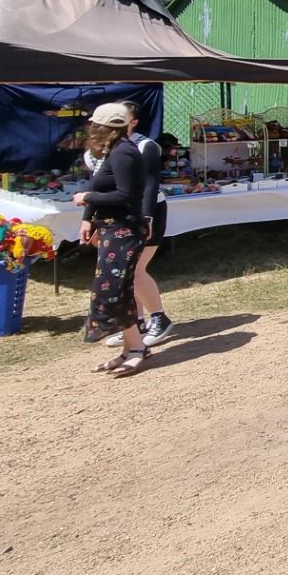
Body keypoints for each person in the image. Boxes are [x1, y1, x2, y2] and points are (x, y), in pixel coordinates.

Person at [72, 103, 154, 376]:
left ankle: (137, 349)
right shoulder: (111, 152)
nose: (90, 129)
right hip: (111, 230)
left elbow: (127, 196)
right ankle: (133, 347)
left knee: (113, 290)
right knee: (116, 290)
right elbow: (98, 185)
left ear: (105, 127)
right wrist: (88, 215)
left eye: (94, 125)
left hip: (125, 230)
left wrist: (88, 198)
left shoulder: (124, 153)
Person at [99, 101, 175, 349]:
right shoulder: (108, 146)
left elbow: (151, 185)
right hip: (121, 215)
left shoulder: (146, 146)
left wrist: (147, 218)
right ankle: (135, 322)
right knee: (126, 272)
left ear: (133, 121)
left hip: (147, 212)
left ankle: (160, 318)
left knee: (135, 270)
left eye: (122, 117)